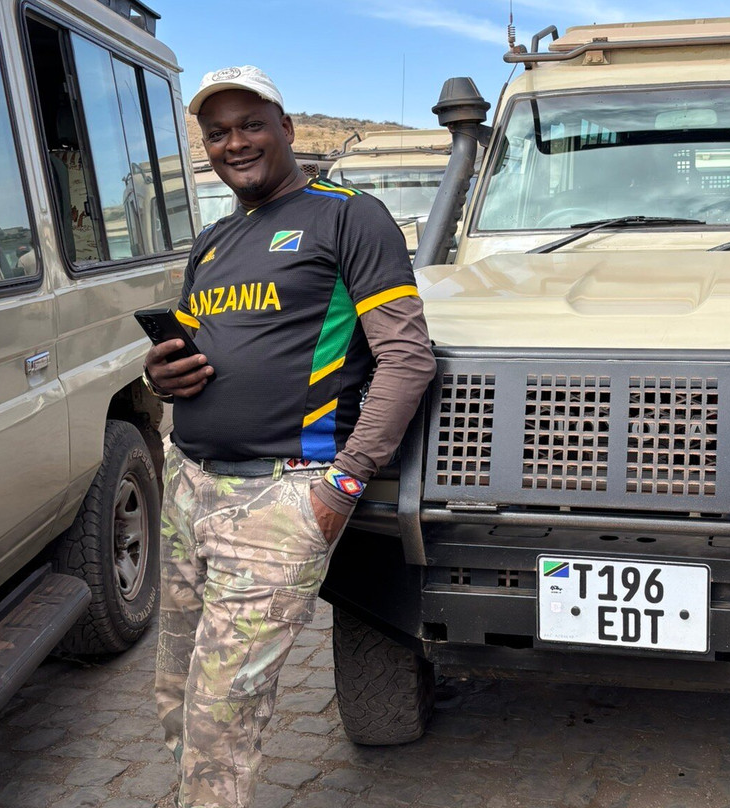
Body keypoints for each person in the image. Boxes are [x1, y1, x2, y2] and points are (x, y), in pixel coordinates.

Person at [145, 65, 437, 808]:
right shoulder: (213, 241)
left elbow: (406, 357)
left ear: (287, 129)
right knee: (177, 694)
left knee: (222, 717)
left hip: (280, 497)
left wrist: (344, 482)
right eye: (217, 132)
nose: (234, 142)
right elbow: (208, 353)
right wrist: (161, 375)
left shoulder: (349, 216)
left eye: (250, 124)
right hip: (190, 488)